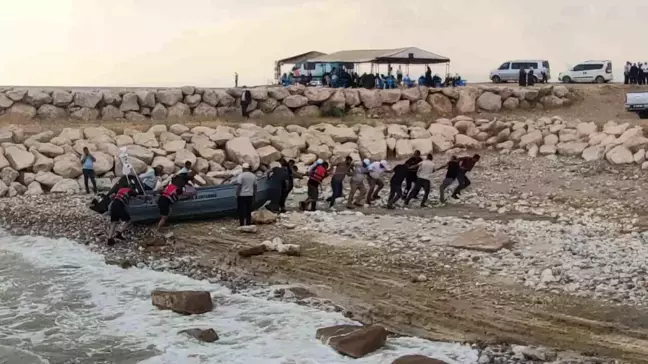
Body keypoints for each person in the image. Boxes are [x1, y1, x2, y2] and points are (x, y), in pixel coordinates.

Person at [107, 180, 138, 246]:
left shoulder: (120, 189)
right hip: (119, 206)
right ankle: (119, 232)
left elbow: (112, 196)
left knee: (114, 222)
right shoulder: (130, 190)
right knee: (128, 220)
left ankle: (109, 239)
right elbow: (136, 194)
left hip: (114, 204)